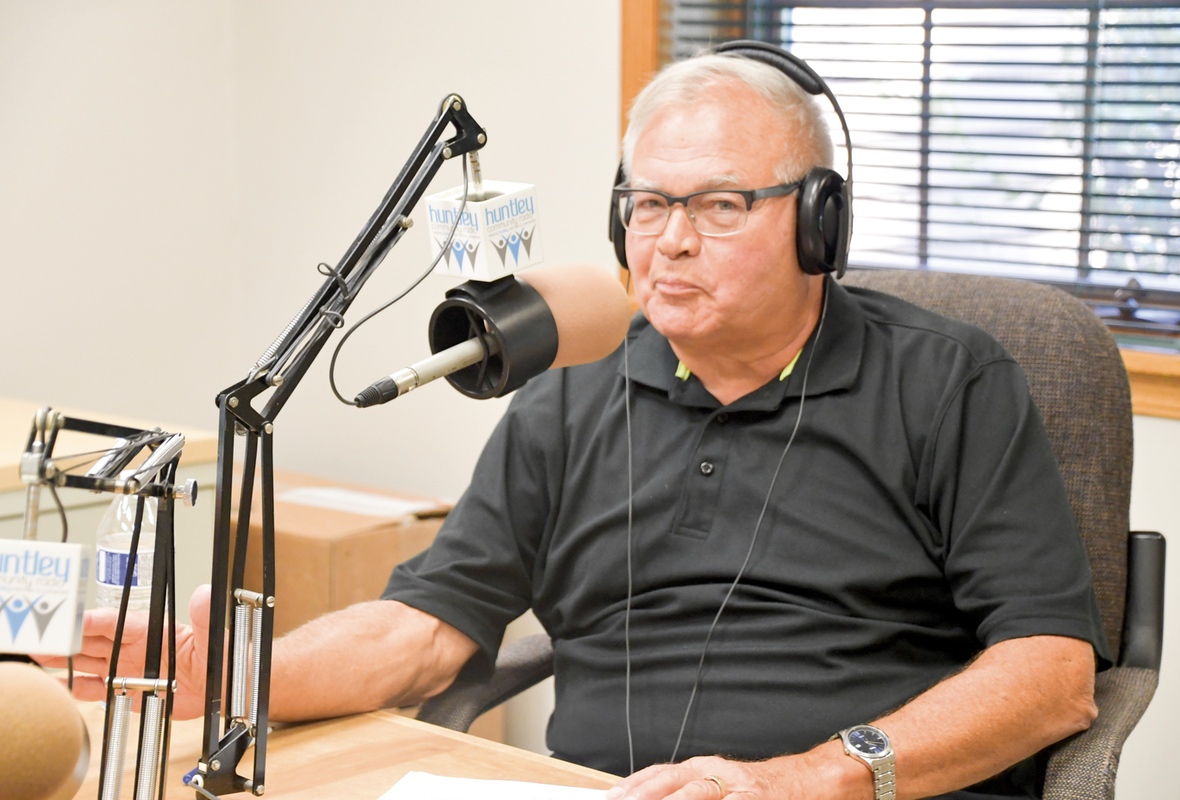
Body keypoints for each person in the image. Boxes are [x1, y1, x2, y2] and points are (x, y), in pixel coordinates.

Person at [44, 46, 1109, 800]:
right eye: (648, 205)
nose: (671, 241)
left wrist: (813, 775)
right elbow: (424, 628)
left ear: (819, 220)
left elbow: (1053, 674)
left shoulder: (952, 380)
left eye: (721, 204)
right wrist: (232, 674)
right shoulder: (569, 395)